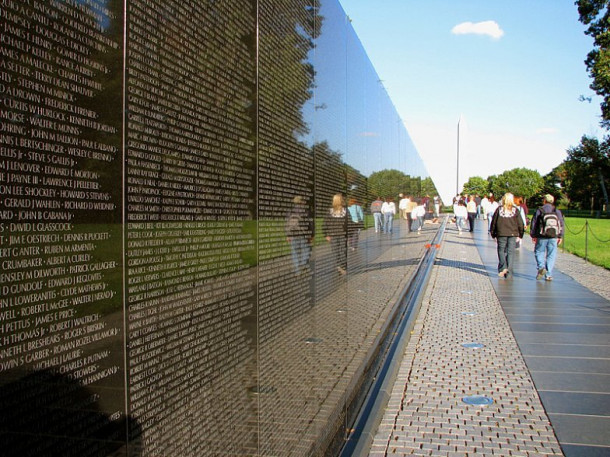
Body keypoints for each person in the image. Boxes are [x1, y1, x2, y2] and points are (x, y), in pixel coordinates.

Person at [530, 194, 564, 281]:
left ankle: (541, 267)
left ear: (544, 201)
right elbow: (561, 223)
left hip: (542, 235)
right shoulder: (556, 211)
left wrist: (533, 235)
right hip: (554, 236)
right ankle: (548, 274)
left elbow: (534, 223)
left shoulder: (540, 210)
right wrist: (560, 236)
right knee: (551, 255)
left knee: (539, 251)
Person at [490, 192, 524, 278]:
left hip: (501, 233)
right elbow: (520, 223)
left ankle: (503, 266)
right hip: (512, 233)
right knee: (510, 252)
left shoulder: (499, 209)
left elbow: (494, 222)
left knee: (501, 250)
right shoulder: (515, 210)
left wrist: (493, 233)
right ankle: (509, 270)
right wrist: (520, 234)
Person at [285, 196, 314, 274]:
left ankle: (298, 271)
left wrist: (288, 235)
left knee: (295, 252)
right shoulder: (306, 211)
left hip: (293, 234)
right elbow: (311, 224)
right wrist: (312, 235)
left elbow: (287, 224)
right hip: (303, 234)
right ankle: (303, 264)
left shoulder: (290, 212)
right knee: (307, 250)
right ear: (301, 202)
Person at [323, 193, 347, 274]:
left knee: (341, 251)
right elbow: (325, 223)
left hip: (341, 234)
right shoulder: (330, 211)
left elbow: (348, 223)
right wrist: (326, 234)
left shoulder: (345, 210)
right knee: (337, 252)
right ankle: (340, 266)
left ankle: (342, 265)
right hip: (335, 235)